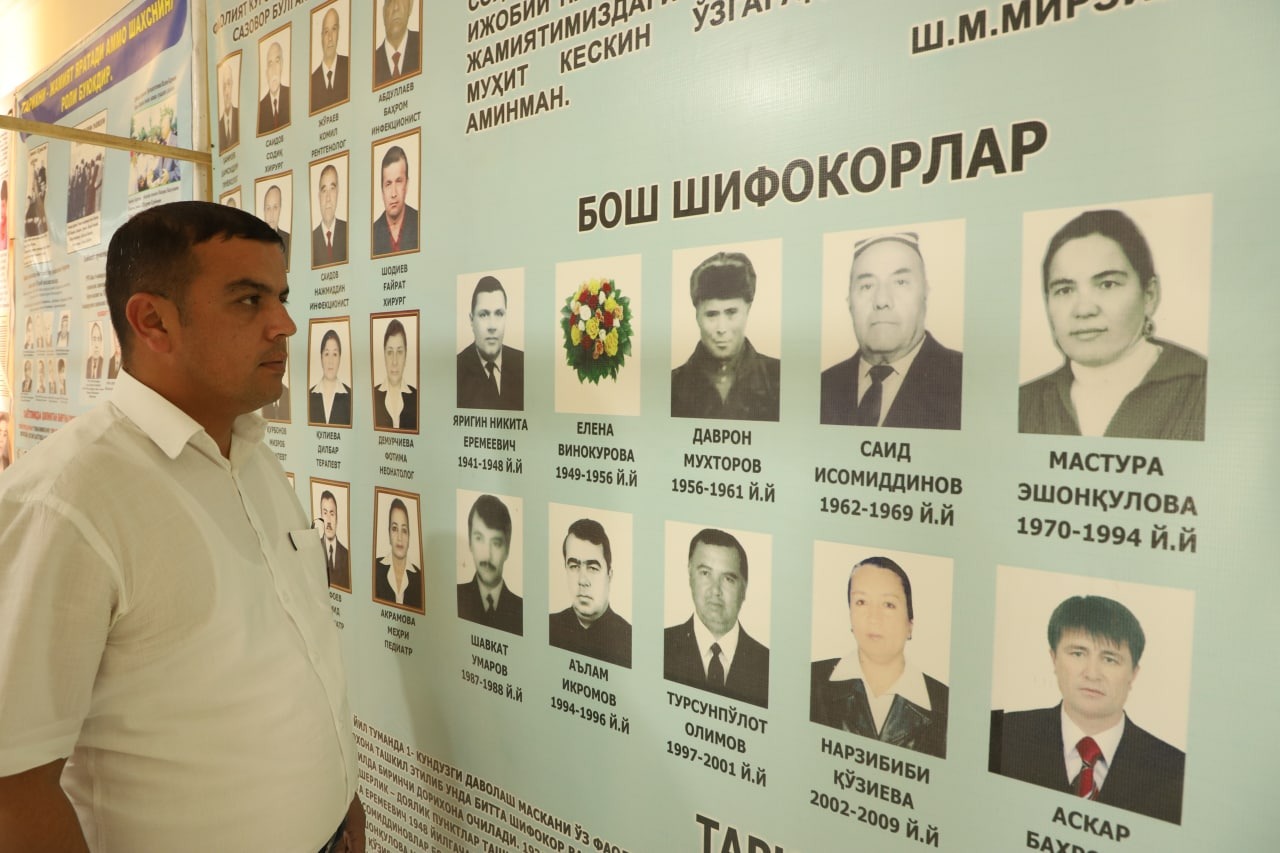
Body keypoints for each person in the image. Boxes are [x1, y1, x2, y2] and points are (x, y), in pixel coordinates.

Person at [0, 201, 363, 850]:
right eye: (249, 300)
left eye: (281, 297)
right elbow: (13, 783)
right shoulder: (67, 502)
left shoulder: (250, 454)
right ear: (153, 321)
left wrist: (342, 803)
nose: (285, 324)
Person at [989, 595, 1185, 824]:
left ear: (1133, 673)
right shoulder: (1000, 734)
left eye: (1110, 659)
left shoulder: (1176, 770)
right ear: (1054, 659)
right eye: (1078, 654)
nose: (1092, 674)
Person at [1020, 210, 1206, 441]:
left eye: (1107, 284)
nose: (1084, 310)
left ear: (1149, 295)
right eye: (1064, 290)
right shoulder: (1024, 403)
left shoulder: (1206, 389)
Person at [820, 232, 963, 429]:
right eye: (867, 286)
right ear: (849, 302)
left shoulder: (966, 381)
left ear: (925, 294)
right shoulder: (822, 386)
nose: (882, 301)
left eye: (900, 282)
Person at [810, 557, 948, 758]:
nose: (873, 618)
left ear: (910, 623)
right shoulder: (810, 681)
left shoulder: (946, 704)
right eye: (861, 602)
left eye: (888, 605)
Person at [664, 528, 769, 708]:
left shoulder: (767, 665)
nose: (715, 590)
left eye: (728, 579)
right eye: (705, 573)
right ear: (690, 576)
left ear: (744, 589)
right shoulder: (661, 645)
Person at [671, 252, 780, 421]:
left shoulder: (780, 378)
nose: (721, 328)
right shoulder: (672, 385)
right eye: (711, 314)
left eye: (731, 312)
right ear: (697, 316)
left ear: (748, 310)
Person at [548, 519, 632, 668]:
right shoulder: (549, 627)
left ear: (609, 575)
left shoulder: (629, 639)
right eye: (574, 566)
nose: (582, 580)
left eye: (593, 568)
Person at [457, 494, 522, 635]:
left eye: (496, 543)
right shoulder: (455, 597)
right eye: (479, 538)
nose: (487, 555)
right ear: (470, 542)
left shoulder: (522, 610)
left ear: (507, 549)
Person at [456, 275, 524, 410]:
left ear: (506, 317)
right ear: (471, 320)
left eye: (499, 314)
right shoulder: (456, 369)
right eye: (483, 314)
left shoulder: (523, 363)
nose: (492, 326)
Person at [374, 498, 423, 610]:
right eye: (395, 529)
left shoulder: (419, 578)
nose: (400, 538)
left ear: (409, 536)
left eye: (404, 530)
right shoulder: (375, 568)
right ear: (389, 534)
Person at [372, 145, 419, 257]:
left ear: (406, 184)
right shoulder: (371, 234)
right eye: (388, 184)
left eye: (398, 181)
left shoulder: (421, 223)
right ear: (382, 190)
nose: (393, 193)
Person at [374, 319, 417, 430]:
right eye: (390, 352)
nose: (394, 361)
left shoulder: (417, 398)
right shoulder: (372, 396)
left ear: (406, 355)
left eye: (399, 352)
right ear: (384, 355)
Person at [309, 329, 353, 426]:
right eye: (327, 354)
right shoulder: (308, 396)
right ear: (321, 357)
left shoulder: (351, 396)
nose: (330, 361)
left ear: (340, 358)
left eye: (335, 354)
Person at [310, 7, 349, 113]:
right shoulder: (312, 82)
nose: (330, 38)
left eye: (334, 29)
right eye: (326, 32)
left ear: (338, 33)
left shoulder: (350, 67)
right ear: (321, 37)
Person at [374, 0, 420, 86]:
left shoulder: (426, 45)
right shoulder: (372, 64)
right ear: (384, 12)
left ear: (410, 6)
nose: (396, 7)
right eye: (390, 1)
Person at [311, 164, 348, 267]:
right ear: (319, 197)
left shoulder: (349, 231)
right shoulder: (310, 240)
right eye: (324, 191)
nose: (328, 198)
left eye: (332, 188)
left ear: (338, 192)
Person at [257, 40, 291, 134]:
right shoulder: (260, 109)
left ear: (282, 65)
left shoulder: (291, 95)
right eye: (270, 64)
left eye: (277, 61)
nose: (274, 69)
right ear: (266, 73)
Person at [319, 489, 351, 590]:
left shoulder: (347, 556)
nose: (328, 521)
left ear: (337, 519)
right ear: (321, 517)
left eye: (332, 514)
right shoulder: (314, 549)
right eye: (325, 513)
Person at [261, 183, 291, 270]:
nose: (271, 214)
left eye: (275, 207)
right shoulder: (255, 243)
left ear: (280, 209)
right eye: (268, 208)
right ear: (264, 211)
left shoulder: (289, 240)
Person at [217, 61, 239, 151]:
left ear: (233, 84)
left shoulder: (240, 116)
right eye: (224, 86)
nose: (226, 92)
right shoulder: (218, 127)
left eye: (229, 84)